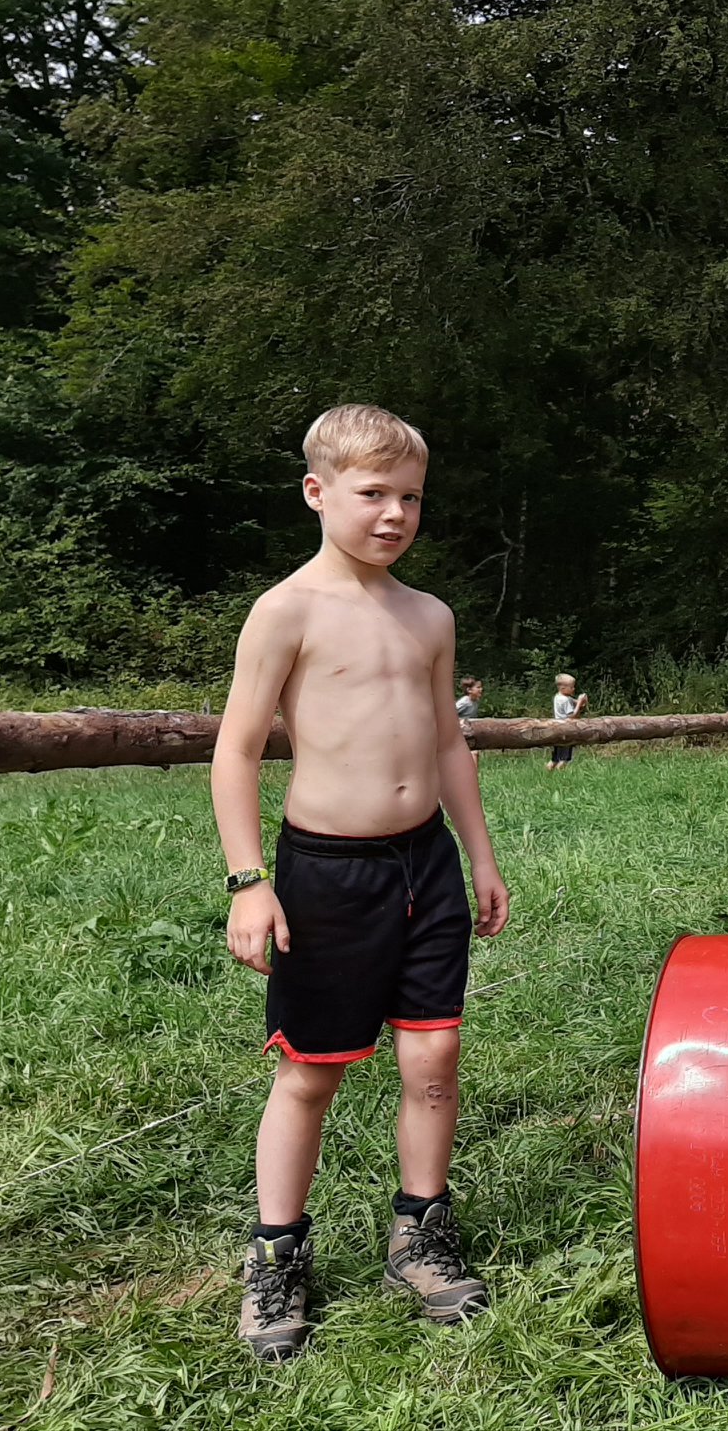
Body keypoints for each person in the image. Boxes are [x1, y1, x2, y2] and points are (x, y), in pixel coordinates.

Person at [211, 404, 511, 1362]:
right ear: (318, 492)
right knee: (312, 1071)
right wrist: (248, 880)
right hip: (327, 873)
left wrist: (481, 855)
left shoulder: (429, 616)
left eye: (410, 496)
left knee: (434, 1064)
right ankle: (276, 1258)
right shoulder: (286, 610)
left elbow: (449, 741)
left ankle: (419, 1236)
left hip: (427, 865)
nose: (394, 514)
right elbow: (236, 749)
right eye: (372, 493)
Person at [547, 673, 587, 771]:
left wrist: (581, 701)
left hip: (557, 729)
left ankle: (547, 774)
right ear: (563, 688)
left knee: (555, 758)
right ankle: (559, 777)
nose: (574, 689)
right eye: (572, 687)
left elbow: (577, 703)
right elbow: (572, 716)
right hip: (566, 731)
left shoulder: (558, 697)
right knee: (564, 759)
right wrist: (579, 705)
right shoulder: (565, 700)